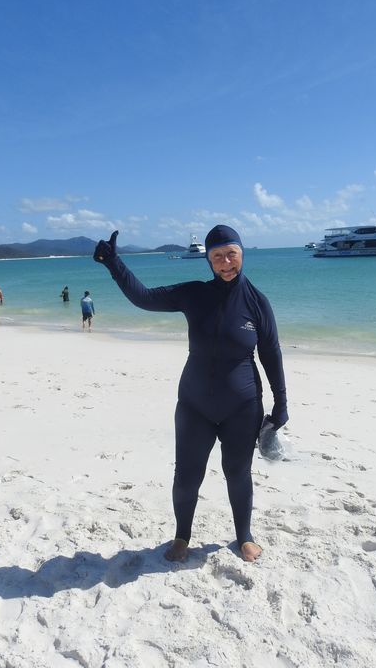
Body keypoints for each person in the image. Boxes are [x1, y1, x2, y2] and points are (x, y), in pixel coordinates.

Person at [93, 225, 288, 564]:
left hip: (242, 407)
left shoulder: (258, 303)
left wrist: (281, 404)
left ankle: (244, 536)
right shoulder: (194, 294)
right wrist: (114, 263)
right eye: (217, 256)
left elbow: (271, 353)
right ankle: (182, 535)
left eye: (231, 254)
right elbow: (143, 298)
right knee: (186, 477)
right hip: (195, 406)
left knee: (238, 474)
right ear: (208, 260)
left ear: (242, 253)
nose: (225, 262)